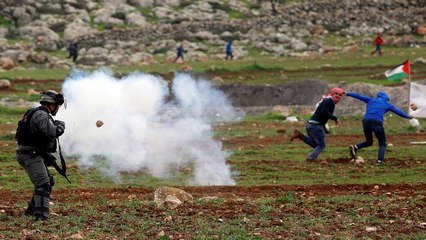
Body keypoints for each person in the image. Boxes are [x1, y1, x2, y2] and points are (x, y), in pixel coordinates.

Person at [15, 90, 66, 221]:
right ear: (53, 104)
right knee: (43, 184)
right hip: (30, 154)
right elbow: (51, 132)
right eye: (57, 106)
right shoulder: (41, 115)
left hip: (30, 153)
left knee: (47, 181)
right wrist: (59, 127)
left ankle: (31, 212)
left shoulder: (36, 113)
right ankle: (41, 217)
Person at [346, 91, 413, 164]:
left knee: (369, 142)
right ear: (386, 98)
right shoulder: (387, 104)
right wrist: (408, 116)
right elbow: (398, 112)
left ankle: (355, 147)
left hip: (366, 121)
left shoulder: (371, 100)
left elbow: (358, 96)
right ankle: (379, 161)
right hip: (376, 123)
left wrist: (347, 93)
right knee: (382, 143)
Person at [289, 87, 345, 162]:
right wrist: (335, 118)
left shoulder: (329, 102)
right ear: (332, 94)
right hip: (316, 126)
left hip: (311, 125)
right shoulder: (329, 101)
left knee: (317, 146)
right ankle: (311, 158)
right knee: (321, 145)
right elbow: (324, 112)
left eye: (340, 95)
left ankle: (301, 136)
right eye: (336, 94)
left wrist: (324, 127)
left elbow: (322, 114)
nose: (338, 96)